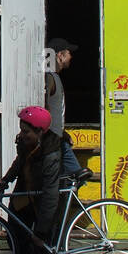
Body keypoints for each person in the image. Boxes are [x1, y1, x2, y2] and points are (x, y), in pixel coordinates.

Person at [0, 106, 61, 254]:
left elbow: (51, 194)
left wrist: (41, 232)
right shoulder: (26, 144)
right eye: (21, 130)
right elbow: (20, 163)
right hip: (25, 198)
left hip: (44, 203)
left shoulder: (51, 153)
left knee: (39, 247)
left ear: (40, 132)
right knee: (14, 238)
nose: (22, 135)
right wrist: (6, 180)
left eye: (26, 131)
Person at [45, 38, 82, 176]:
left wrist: (62, 132)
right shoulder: (50, 77)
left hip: (58, 137)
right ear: (60, 55)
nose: (71, 56)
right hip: (53, 139)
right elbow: (45, 106)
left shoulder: (54, 77)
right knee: (69, 176)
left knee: (73, 176)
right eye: (68, 53)